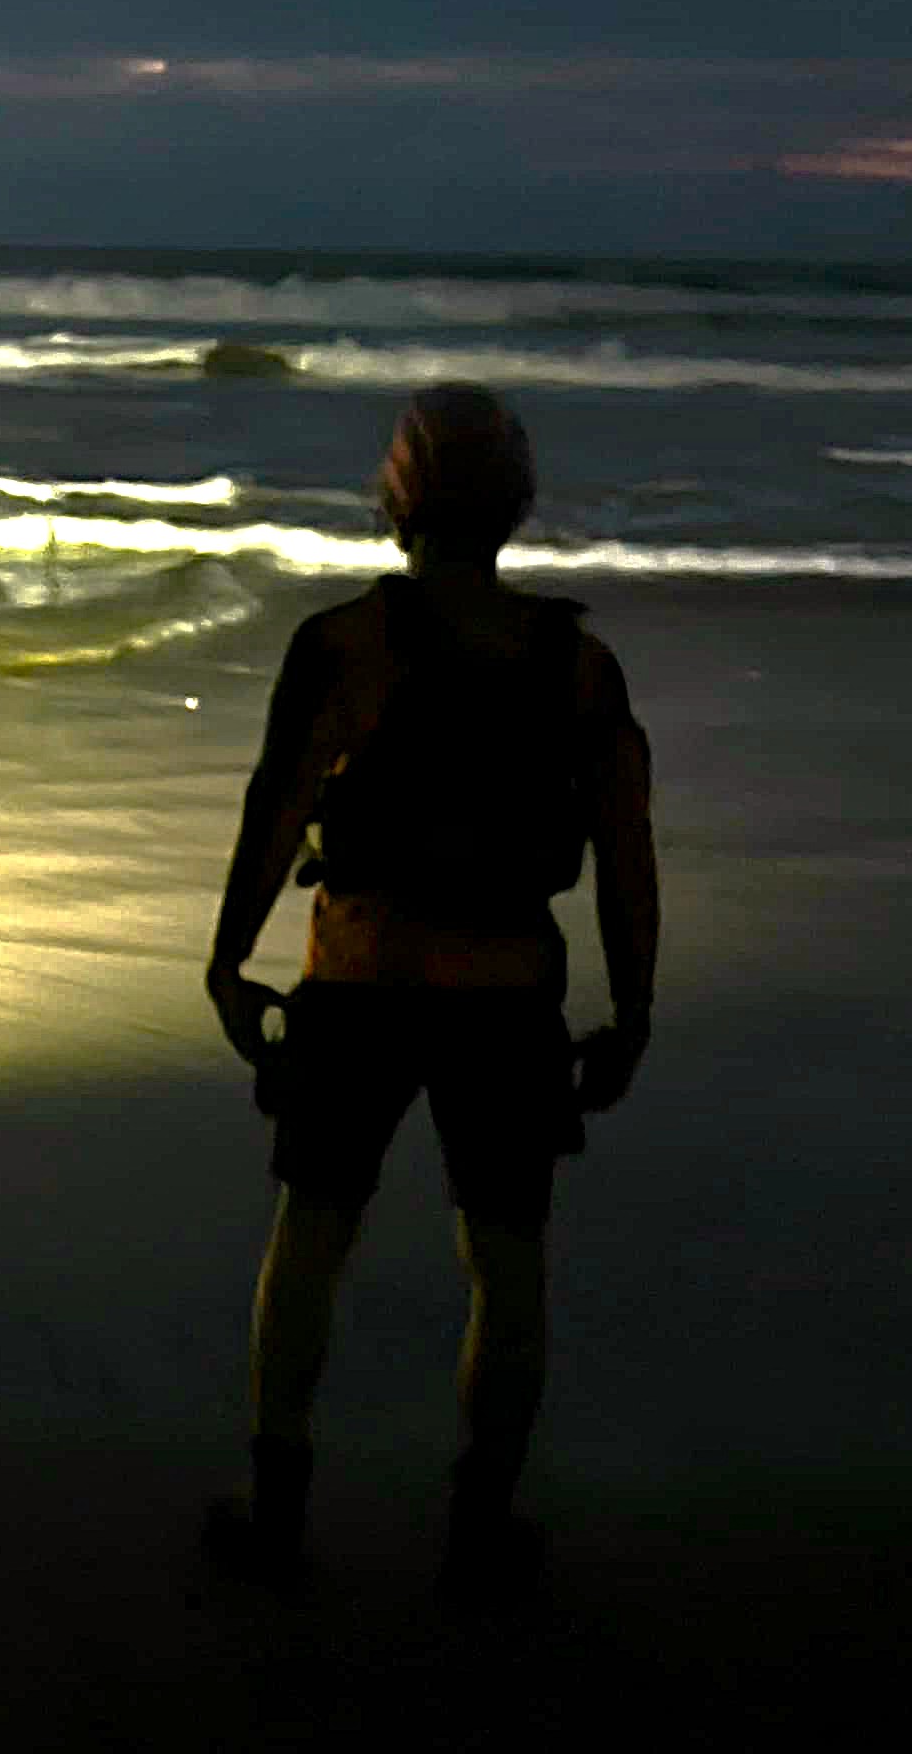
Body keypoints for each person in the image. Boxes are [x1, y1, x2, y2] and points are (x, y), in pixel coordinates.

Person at [197, 383, 658, 1597]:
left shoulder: (345, 645)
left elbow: (276, 809)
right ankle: (481, 1524)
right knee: (507, 1265)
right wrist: (633, 1014)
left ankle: (276, 1504)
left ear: (395, 504)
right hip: (506, 998)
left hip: (357, 976)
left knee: (309, 1239)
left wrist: (225, 960)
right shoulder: (578, 664)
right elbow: (625, 852)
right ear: (515, 507)